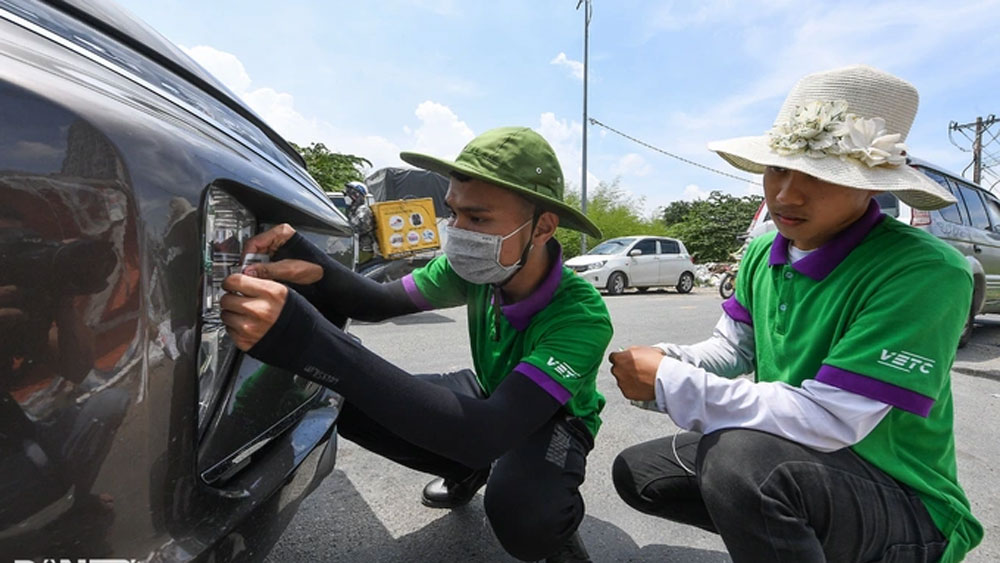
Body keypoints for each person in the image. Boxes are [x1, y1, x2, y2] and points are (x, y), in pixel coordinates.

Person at [609, 65, 983, 562]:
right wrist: (667, 358)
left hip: (904, 497)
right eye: (779, 169)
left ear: (873, 185)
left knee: (741, 463)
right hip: (806, 461)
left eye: (820, 175)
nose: (786, 194)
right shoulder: (766, 253)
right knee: (642, 473)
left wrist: (670, 383)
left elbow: (830, 417)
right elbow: (732, 348)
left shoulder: (925, 271)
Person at [219, 127, 612, 562]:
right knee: (351, 400)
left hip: (553, 419)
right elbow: (378, 300)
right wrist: (313, 263)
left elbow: (487, 432)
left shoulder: (581, 316)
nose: (458, 232)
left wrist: (309, 341)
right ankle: (467, 468)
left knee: (526, 516)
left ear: (543, 227)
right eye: (453, 213)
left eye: (478, 219)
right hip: (491, 397)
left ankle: (555, 533)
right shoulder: (480, 267)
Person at [343, 180, 377, 259]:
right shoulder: (353, 210)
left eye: (348, 193)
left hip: (363, 251)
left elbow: (360, 229)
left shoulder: (363, 210)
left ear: (356, 195)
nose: (345, 196)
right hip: (354, 249)